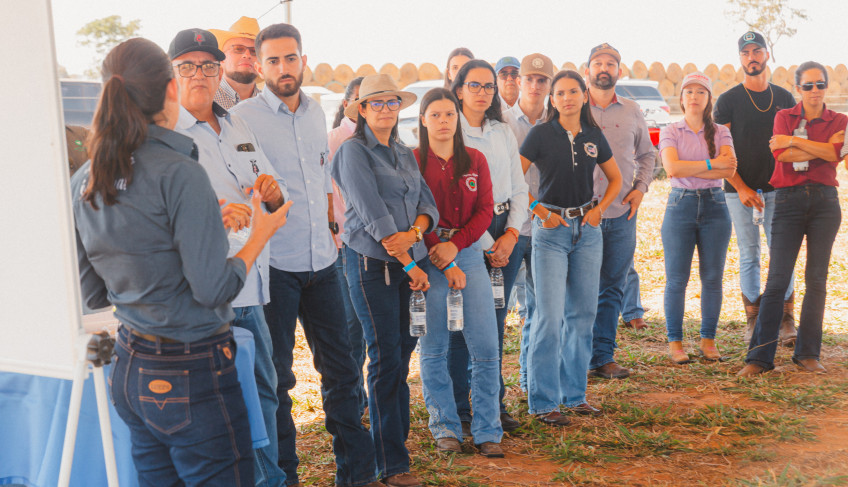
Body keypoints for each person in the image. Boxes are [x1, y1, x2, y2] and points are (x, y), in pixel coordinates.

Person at [71, 37, 292, 485]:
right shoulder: (178, 171)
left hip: (131, 365)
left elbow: (93, 291)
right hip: (192, 369)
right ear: (170, 89)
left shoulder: (86, 178)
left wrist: (198, 228)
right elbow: (214, 289)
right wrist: (259, 237)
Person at [231, 24, 381, 487]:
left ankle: (355, 475)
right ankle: (286, 478)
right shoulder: (243, 119)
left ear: (303, 60)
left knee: (342, 372)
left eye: (290, 59)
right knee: (277, 384)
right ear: (259, 65)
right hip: (274, 268)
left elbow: (321, 185)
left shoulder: (318, 113)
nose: (283, 68)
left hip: (325, 263)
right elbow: (239, 188)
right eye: (273, 61)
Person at [170, 28, 288, 487]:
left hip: (253, 286)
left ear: (220, 71)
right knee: (225, 404)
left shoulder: (238, 124)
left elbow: (271, 191)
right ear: (172, 74)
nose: (199, 74)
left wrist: (273, 194)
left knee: (265, 392)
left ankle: (270, 478)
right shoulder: (164, 134)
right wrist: (215, 214)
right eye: (187, 66)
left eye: (208, 65)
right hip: (209, 291)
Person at [332, 74, 439, 487]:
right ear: (361, 109)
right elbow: (374, 216)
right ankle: (390, 463)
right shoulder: (352, 152)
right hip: (373, 265)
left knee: (402, 355)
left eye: (392, 103)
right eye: (376, 103)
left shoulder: (403, 152)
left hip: (409, 262)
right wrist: (411, 262)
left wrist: (413, 237)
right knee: (385, 358)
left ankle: (397, 450)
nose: (385, 110)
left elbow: (427, 205)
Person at [520, 70, 622, 425]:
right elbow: (514, 180)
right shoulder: (540, 134)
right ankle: (544, 402)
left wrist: (599, 211)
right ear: (552, 99)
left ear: (584, 95)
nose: (567, 97)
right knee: (549, 317)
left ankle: (575, 396)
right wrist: (538, 209)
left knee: (582, 316)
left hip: (588, 231)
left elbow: (616, 179)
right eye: (560, 92)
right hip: (550, 233)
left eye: (573, 91)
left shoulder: (594, 135)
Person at [738, 61, 847, 376]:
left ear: (827, 86)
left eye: (820, 84)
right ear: (798, 88)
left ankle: (808, 354)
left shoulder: (840, 119)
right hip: (788, 201)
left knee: (817, 280)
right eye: (808, 85)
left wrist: (795, 141)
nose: (815, 90)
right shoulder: (783, 116)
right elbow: (781, 154)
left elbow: (837, 154)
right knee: (777, 280)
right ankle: (759, 359)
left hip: (826, 203)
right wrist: (824, 148)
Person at [413, 88, 503, 458]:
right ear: (423, 120)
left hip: (466, 252)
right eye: (435, 114)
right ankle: (445, 427)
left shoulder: (476, 159)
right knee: (434, 348)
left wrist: (457, 246)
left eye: (449, 114)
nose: (443, 121)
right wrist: (440, 251)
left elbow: (485, 210)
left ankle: (487, 430)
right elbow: (414, 208)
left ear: (457, 118)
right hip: (429, 257)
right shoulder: (414, 160)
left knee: (485, 348)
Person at [449, 59, 529, 434]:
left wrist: (511, 235)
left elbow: (518, 187)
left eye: (488, 86)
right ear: (459, 89)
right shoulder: (451, 132)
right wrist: (485, 242)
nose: (483, 92)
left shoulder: (502, 131)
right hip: (466, 232)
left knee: (495, 323)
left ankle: (491, 405)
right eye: (474, 85)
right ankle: (460, 409)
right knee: (461, 324)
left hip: (505, 230)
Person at [713, 31, 798, 345]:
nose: (752, 57)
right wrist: (742, 187)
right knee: (749, 254)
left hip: (780, 191)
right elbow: (718, 150)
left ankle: (787, 319)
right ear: (740, 59)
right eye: (746, 52)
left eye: (757, 51)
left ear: (767, 56)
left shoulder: (785, 98)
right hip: (740, 192)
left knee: (782, 253)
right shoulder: (728, 101)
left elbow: (794, 146)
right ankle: (753, 321)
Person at [584, 43, 656, 380]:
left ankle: (603, 357)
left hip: (620, 215)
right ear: (587, 70)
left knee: (612, 287)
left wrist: (640, 189)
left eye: (610, 63)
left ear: (619, 71)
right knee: (580, 289)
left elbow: (647, 155)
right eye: (597, 63)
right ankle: (576, 357)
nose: (603, 68)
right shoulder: (570, 107)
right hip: (580, 217)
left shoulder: (631, 110)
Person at [658, 72, 737, 365]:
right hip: (681, 206)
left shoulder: (720, 132)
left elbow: (728, 170)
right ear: (681, 98)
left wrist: (698, 167)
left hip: (715, 206)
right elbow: (673, 169)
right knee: (677, 279)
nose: (694, 96)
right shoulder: (671, 131)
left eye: (700, 92)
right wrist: (709, 164)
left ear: (708, 99)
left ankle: (708, 340)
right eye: (688, 91)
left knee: (713, 277)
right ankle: (676, 343)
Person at [502, 53, 554, 394]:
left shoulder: (560, 121)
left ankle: (531, 384)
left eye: (542, 80)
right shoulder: (502, 123)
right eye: (529, 79)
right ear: (519, 81)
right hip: (509, 230)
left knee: (542, 312)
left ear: (549, 84)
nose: (535, 85)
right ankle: (495, 396)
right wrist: (533, 206)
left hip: (548, 234)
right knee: (496, 314)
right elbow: (504, 179)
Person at [328, 76, 367, 417]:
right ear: (348, 104)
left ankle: (361, 398)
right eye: (361, 99)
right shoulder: (335, 141)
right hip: (345, 246)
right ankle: (353, 400)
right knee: (351, 329)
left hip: (378, 249)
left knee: (368, 329)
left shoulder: (383, 141)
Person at [210, 16, 261, 109]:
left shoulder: (272, 106)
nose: (247, 55)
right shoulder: (204, 101)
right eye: (238, 49)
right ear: (221, 59)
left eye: (254, 51)